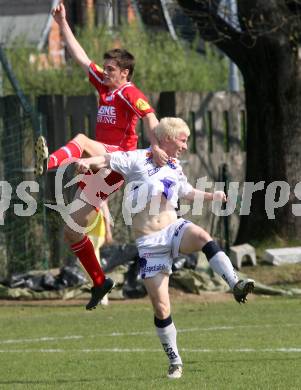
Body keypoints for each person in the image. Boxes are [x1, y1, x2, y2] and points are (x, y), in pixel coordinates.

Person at [75, 117, 255, 379]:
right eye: (183, 139)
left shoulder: (174, 165)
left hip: (174, 229)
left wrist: (211, 196)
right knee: (162, 308)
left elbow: (185, 190)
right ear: (168, 138)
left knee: (204, 236)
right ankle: (175, 360)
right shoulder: (138, 159)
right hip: (149, 244)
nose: (185, 145)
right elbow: (105, 160)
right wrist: (86, 162)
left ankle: (235, 283)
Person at [35, 1, 168, 310]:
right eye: (105, 68)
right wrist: (62, 24)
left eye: (111, 69)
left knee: (81, 140)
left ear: (125, 73)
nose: (105, 72)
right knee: (72, 230)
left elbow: (150, 118)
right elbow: (81, 58)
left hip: (119, 160)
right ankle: (99, 281)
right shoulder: (106, 88)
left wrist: (157, 144)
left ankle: (48, 163)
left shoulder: (129, 92)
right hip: (102, 168)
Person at [85, 200, 113, 305]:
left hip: (97, 234)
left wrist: (108, 231)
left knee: (83, 261)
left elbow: (106, 213)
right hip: (88, 233)